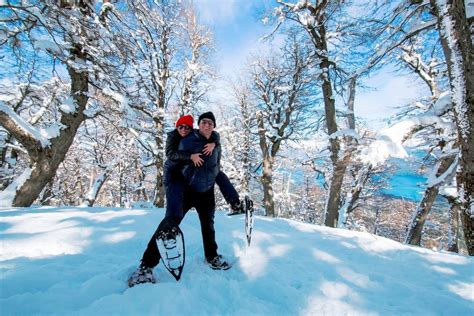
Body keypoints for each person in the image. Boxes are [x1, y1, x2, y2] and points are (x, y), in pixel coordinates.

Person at [128, 113, 246, 286]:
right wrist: (177, 180)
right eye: (203, 122)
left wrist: (215, 144)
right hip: (186, 189)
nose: (206, 125)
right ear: (198, 125)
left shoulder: (215, 142)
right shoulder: (188, 141)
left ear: (213, 126)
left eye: (210, 123)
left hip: (206, 192)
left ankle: (212, 257)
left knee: (208, 226)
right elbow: (172, 160)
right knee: (170, 223)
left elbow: (216, 165)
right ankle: (146, 266)